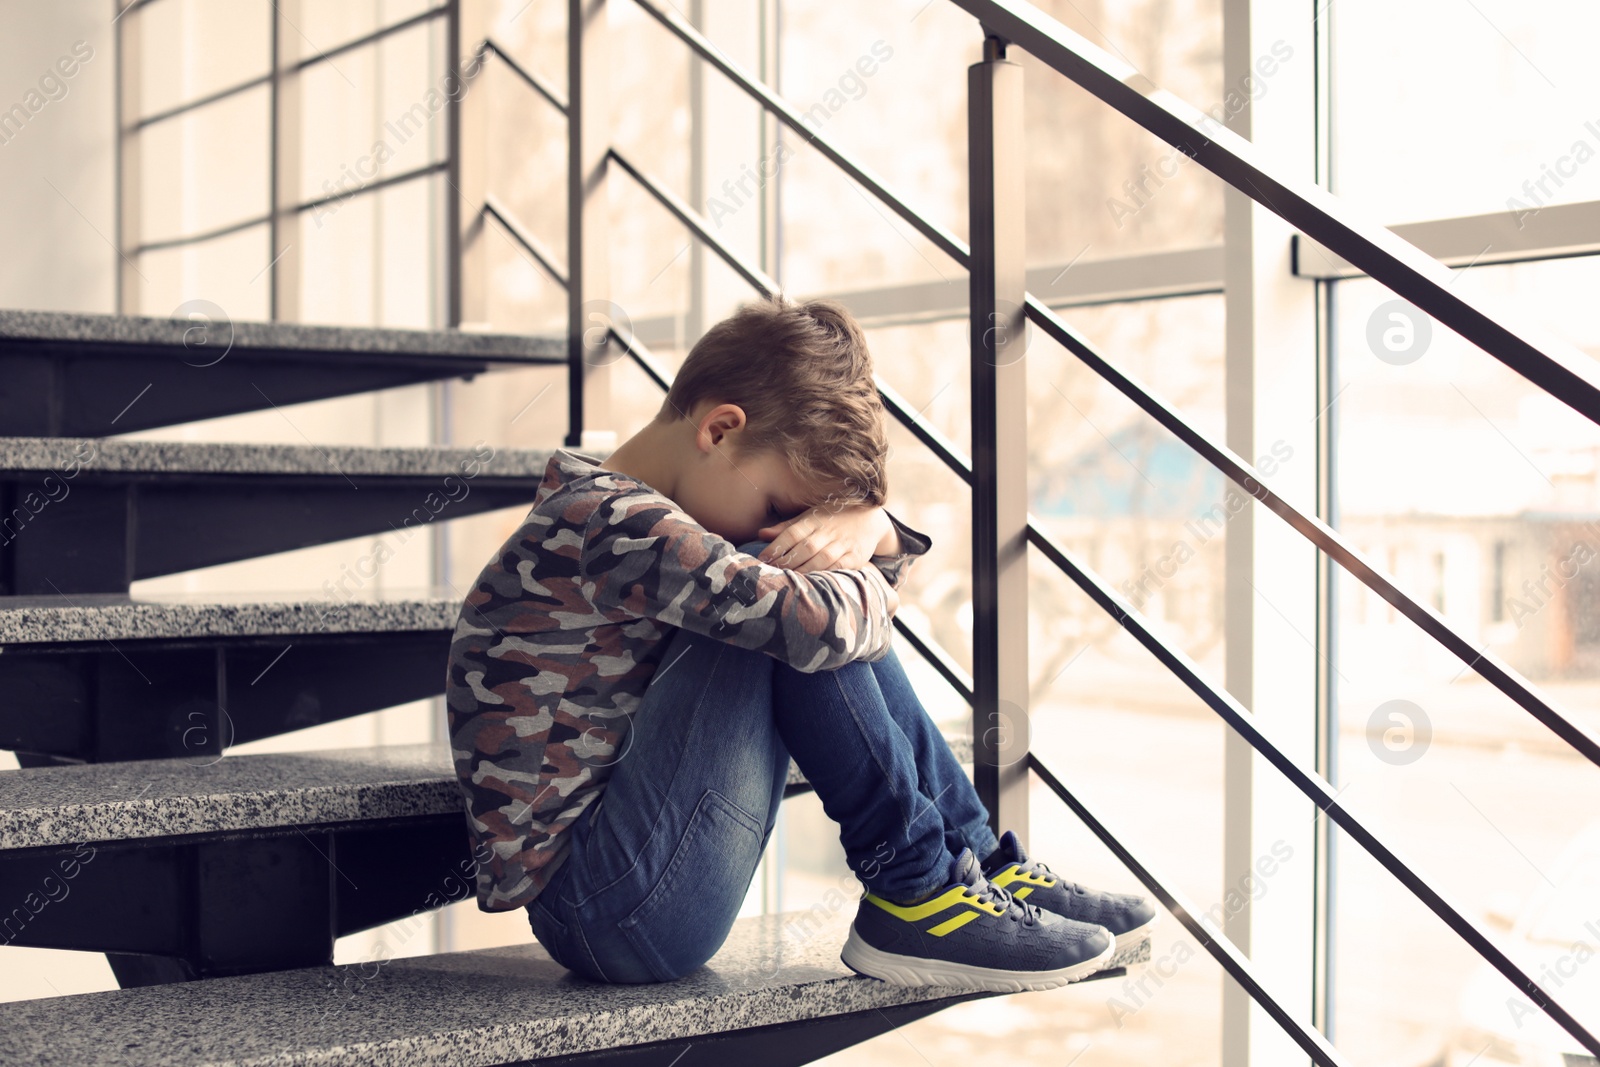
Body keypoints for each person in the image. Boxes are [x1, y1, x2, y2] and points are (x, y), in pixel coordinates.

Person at [443, 291, 1154, 991]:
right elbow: (811, 625)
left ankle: (971, 866)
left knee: (791, 591)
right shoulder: (608, 520)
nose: (795, 525)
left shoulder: (619, 510)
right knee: (787, 596)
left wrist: (868, 526)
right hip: (606, 911)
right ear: (720, 429)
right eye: (787, 505)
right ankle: (916, 887)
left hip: (632, 889)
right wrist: (871, 541)